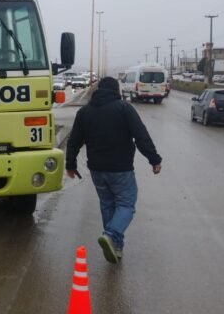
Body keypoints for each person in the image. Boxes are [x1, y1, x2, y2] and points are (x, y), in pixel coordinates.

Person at [66, 76, 162, 264]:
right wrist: (154, 159)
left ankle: (116, 247)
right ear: (116, 90)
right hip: (121, 169)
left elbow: (74, 141)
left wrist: (70, 164)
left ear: (98, 90)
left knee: (107, 203)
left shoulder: (84, 112)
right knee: (126, 204)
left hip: (97, 170)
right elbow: (141, 135)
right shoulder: (124, 109)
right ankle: (111, 235)